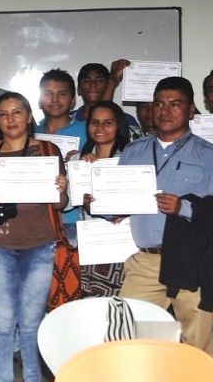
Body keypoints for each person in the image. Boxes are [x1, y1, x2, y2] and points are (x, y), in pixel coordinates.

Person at [88, 78, 213, 356]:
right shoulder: (133, 151)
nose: (165, 111)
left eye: (175, 104)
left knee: (196, 345)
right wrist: (100, 202)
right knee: (128, 336)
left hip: (193, 261)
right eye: (159, 104)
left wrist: (184, 209)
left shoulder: (209, 155)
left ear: (191, 109)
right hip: (146, 262)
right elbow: (119, 204)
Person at [0, 92, 67, 382]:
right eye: (3, 114)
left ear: (28, 116)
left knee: (30, 322)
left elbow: (61, 205)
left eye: (17, 112)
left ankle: (34, 378)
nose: (10, 119)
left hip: (39, 244)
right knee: (1, 322)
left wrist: (61, 189)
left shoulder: (49, 150)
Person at [75, 101, 131, 297]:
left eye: (108, 123)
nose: (100, 128)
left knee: (124, 307)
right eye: (94, 122)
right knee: (93, 308)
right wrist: (80, 172)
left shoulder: (131, 159)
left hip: (124, 242)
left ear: (119, 125)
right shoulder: (78, 161)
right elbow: (64, 206)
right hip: (92, 244)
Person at [36, 69, 85, 244]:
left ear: (73, 101)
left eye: (62, 94)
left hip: (74, 221)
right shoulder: (30, 134)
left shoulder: (90, 131)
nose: (55, 100)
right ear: (40, 100)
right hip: (37, 222)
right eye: (48, 94)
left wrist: (80, 162)